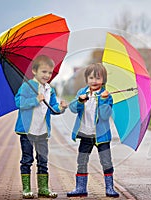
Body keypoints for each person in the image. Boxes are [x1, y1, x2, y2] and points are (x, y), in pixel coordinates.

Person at [14, 55, 67, 199]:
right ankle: (26, 189)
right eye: (44, 72)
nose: (47, 75)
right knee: (27, 159)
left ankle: (43, 188)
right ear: (34, 71)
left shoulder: (50, 89)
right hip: (27, 131)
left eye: (49, 72)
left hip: (42, 132)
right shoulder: (27, 85)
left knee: (43, 161)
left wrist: (61, 108)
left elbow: (53, 108)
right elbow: (18, 102)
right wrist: (35, 100)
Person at [67, 63, 119, 198]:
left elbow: (105, 115)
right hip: (85, 134)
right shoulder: (82, 93)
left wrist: (103, 100)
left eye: (97, 78)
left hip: (101, 136)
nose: (94, 81)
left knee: (106, 161)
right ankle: (80, 188)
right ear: (86, 79)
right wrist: (79, 100)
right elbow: (73, 108)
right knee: (82, 160)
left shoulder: (107, 96)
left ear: (103, 80)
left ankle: (109, 188)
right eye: (91, 78)